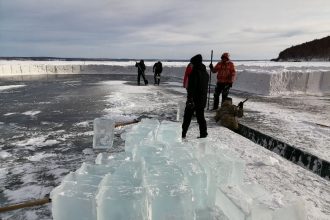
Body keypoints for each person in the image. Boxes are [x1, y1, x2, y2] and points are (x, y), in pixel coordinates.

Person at [182, 54, 209, 139]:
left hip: (194, 99)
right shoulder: (205, 73)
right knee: (201, 117)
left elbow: (192, 87)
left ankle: (183, 133)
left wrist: (190, 99)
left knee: (187, 117)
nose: (191, 65)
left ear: (195, 63)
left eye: (192, 63)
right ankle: (203, 133)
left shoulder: (194, 72)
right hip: (202, 99)